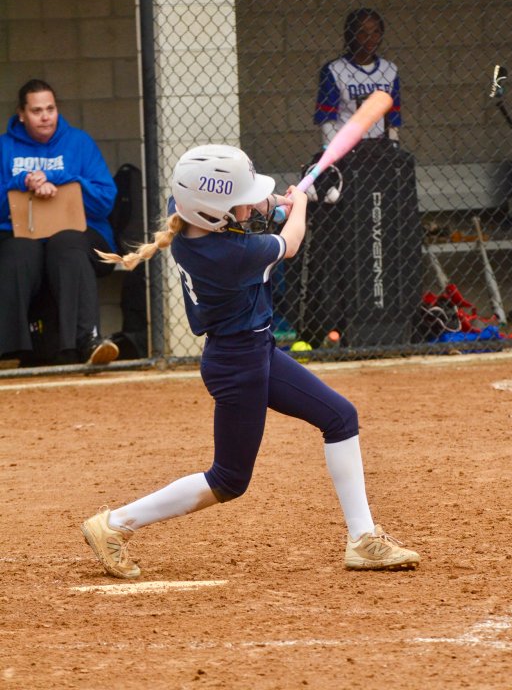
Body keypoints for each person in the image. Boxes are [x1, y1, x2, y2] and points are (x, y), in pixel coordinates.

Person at [81, 143, 420, 579]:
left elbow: (252, 214)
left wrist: (282, 201)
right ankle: (114, 524)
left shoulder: (188, 213)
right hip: (238, 364)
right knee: (228, 480)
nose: (250, 208)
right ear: (214, 213)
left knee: (340, 417)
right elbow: (291, 242)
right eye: (240, 204)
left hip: (254, 352)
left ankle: (363, 538)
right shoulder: (230, 256)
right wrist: (299, 205)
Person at [0, 79, 119, 366]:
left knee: (67, 244)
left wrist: (64, 180)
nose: (45, 116)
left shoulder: (78, 142)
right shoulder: (5, 147)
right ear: (21, 114)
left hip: (77, 234)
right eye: (37, 110)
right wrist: (21, 183)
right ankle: (9, 351)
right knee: (18, 252)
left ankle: (86, 342)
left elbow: (105, 200)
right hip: (20, 236)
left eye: (50, 109)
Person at [314, 8, 401, 146]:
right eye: (362, 32)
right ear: (351, 34)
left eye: (376, 32)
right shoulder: (334, 70)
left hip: (380, 147)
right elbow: (327, 119)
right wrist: (331, 154)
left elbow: (393, 118)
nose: (370, 37)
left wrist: (393, 148)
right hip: (346, 147)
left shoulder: (389, 69)